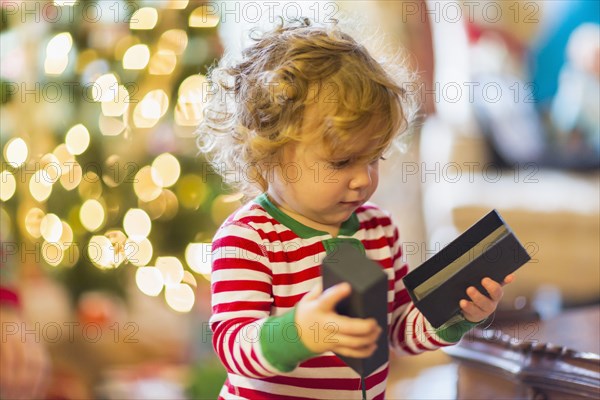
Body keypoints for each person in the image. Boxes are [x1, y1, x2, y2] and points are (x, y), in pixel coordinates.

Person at [197, 18, 515, 399]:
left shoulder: (377, 228)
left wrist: (457, 312)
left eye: (373, 158)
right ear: (269, 153)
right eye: (341, 162)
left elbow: (399, 329)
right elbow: (233, 346)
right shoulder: (248, 239)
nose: (363, 179)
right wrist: (299, 332)